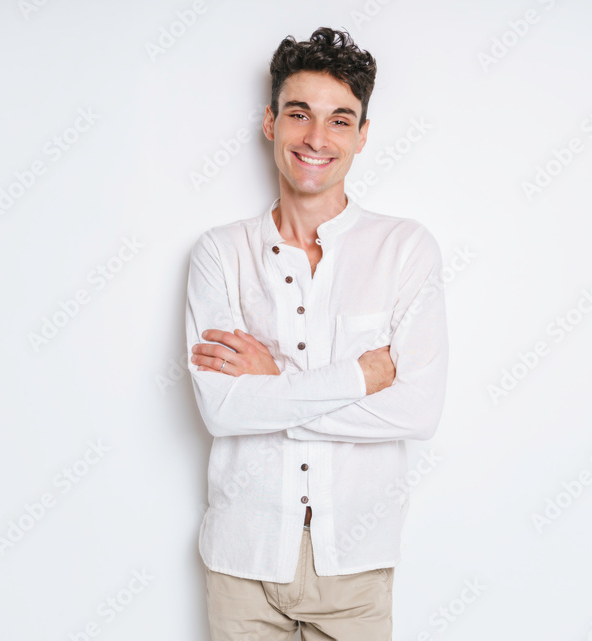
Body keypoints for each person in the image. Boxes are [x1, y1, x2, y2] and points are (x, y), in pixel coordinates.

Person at [185, 26, 449, 640]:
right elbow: (222, 410)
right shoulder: (220, 254)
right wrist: (360, 376)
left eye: (339, 120)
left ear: (362, 135)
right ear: (270, 122)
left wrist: (272, 387)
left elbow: (417, 412)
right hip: (242, 563)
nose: (316, 138)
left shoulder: (404, 249)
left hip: (355, 567)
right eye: (299, 113)